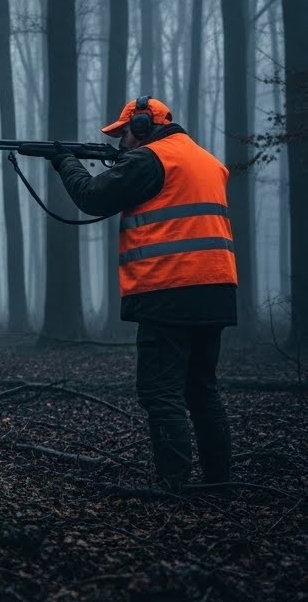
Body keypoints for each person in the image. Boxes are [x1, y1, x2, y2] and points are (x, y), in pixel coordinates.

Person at [47, 96, 237, 491]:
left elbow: (92, 197)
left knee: (160, 392)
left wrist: (65, 161)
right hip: (216, 289)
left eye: (125, 133)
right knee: (202, 391)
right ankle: (219, 483)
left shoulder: (151, 159)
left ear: (144, 126)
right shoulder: (207, 161)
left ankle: (174, 486)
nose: (122, 142)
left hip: (169, 290)